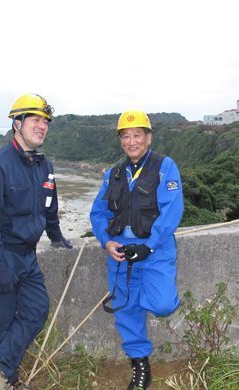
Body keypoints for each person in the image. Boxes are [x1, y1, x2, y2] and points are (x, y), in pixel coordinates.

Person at [0, 93, 72, 390]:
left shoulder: (44, 165)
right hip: (0, 253)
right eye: (35, 120)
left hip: (27, 255)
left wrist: (55, 236)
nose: (42, 126)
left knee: (37, 309)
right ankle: (7, 381)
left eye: (45, 121)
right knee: (1, 321)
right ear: (17, 123)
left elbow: (48, 205)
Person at [89, 109, 184, 389]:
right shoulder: (113, 174)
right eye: (126, 136)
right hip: (120, 250)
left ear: (148, 137)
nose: (132, 141)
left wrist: (150, 246)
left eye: (137, 135)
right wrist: (106, 241)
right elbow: (98, 213)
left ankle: (137, 298)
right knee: (126, 310)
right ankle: (140, 364)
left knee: (163, 304)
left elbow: (172, 210)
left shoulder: (165, 166)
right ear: (121, 140)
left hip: (155, 249)